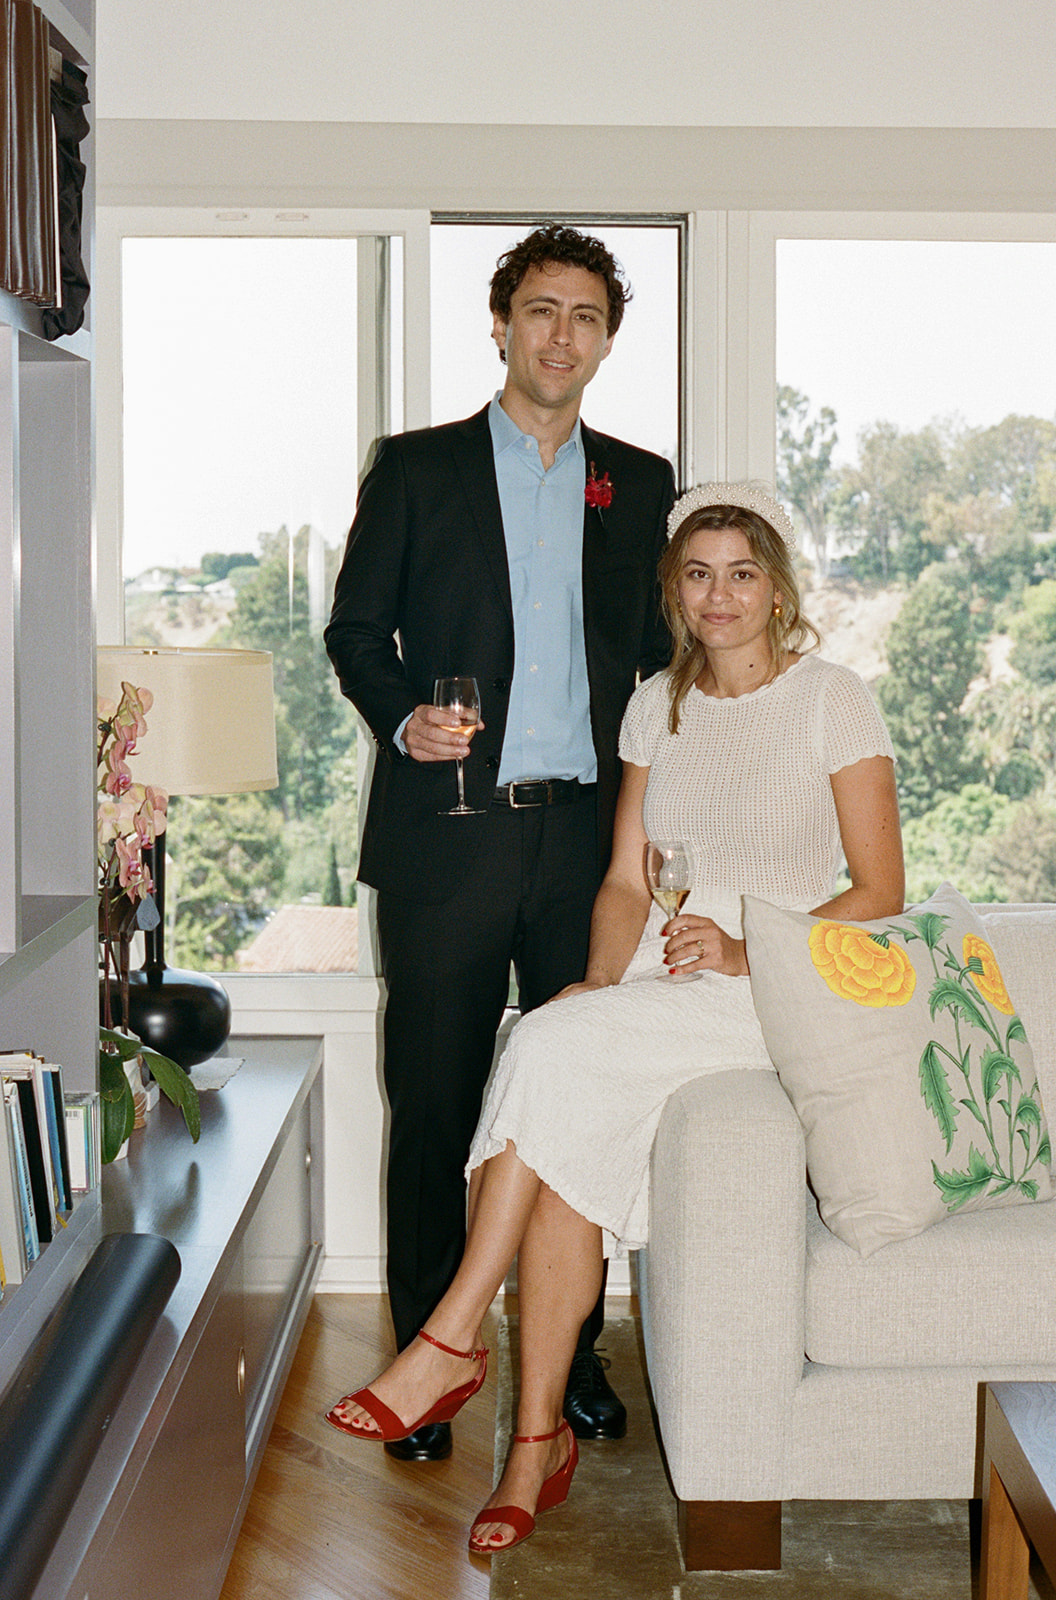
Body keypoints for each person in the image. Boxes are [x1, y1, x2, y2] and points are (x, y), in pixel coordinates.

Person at [325, 482, 905, 1550]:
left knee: (540, 1046)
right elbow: (627, 885)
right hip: (655, 972)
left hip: (767, 980)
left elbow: (878, 890)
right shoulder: (657, 705)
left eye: (741, 573)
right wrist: (600, 979)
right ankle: (535, 1444)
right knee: (564, 1142)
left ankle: (453, 1334)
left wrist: (746, 949)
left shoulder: (833, 698)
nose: (718, 595)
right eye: (696, 574)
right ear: (673, 593)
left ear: (777, 591)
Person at [324, 223, 676, 1460]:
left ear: (607, 340)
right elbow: (355, 632)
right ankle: (427, 1358)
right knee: (435, 1104)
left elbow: (657, 663)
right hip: (446, 842)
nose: (561, 335)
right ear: (501, 322)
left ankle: (565, 1358)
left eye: (585, 316)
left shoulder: (640, 482)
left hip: (584, 848)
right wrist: (400, 712)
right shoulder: (416, 470)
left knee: (574, 1103)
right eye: (540, 310)